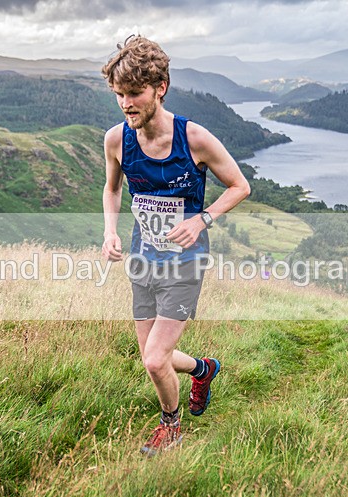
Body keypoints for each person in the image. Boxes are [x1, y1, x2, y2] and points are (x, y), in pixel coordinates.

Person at [100, 36, 251, 456]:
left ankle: (172, 426)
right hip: (142, 257)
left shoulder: (195, 138)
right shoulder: (117, 139)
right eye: (119, 95)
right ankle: (204, 369)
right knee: (154, 354)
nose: (126, 103)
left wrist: (202, 218)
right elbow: (112, 191)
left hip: (185, 261)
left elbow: (240, 186)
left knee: (153, 361)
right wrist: (110, 232)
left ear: (159, 88)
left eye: (134, 93)